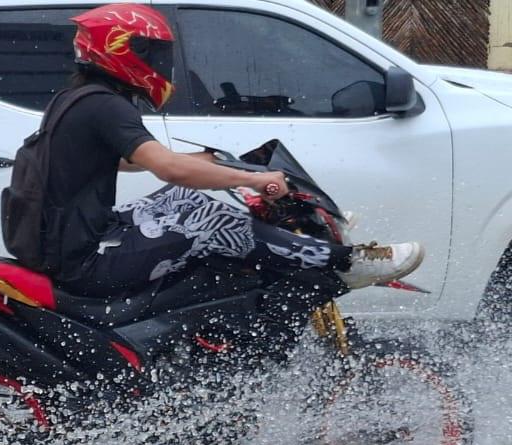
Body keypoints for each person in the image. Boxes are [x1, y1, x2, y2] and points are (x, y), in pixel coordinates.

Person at [40, 3, 423, 298]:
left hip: (69, 242)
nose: (159, 62)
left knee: (184, 197)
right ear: (120, 49)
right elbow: (166, 167)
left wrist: (205, 162)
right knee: (213, 221)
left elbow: (127, 160)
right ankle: (345, 264)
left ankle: (295, 243)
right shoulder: (105, 106)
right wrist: (251, 179)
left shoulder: (78, 99)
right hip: (86, 260)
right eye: (151, 52)